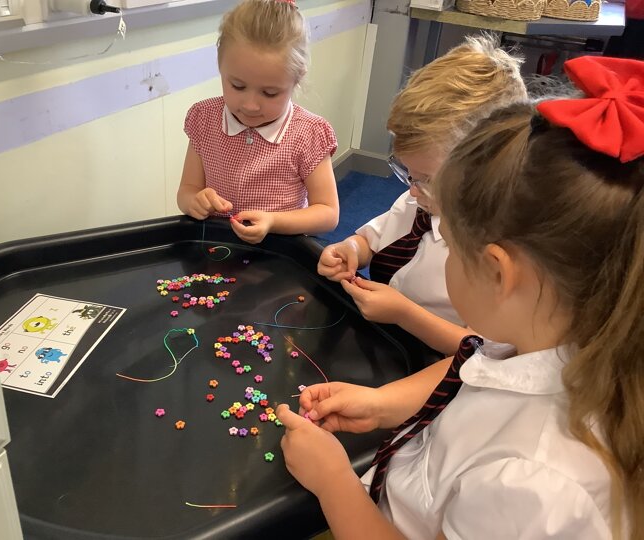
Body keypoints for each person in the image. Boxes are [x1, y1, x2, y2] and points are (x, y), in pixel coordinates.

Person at [278, 56, 644, 539]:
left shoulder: (535, 487)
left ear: (498, 272)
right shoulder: (544, 334)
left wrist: (333, 483)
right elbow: (473, 363)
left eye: (449, 242)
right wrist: (383, 403)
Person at [317, 35, 527, 355]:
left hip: (436, 362)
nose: (412, 189)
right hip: (382, 340)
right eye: (408, 173)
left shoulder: (501, 251)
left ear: (489, 173)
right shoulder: (420, 198)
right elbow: (372, 240)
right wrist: (350, 249)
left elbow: (480, 350)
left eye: (426, 179)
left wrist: (405, 314)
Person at [177, 0, 339, 245]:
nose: (251, 105)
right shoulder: (204, 119)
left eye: (270, 93)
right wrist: (194, 202)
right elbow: (187, 190)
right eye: (237, 86)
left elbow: (328, 213)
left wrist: (273, 221)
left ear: (296, 79)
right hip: (217, 247)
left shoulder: (309, 133)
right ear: (220, 66)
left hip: (282, 251)